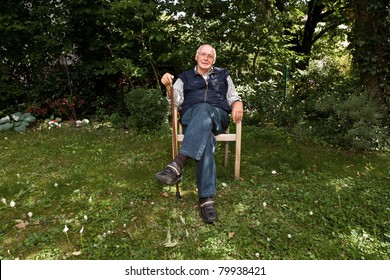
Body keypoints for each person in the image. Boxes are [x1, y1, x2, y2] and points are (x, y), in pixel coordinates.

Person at [156, 44, 243, 224]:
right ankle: (206, 200)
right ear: (196, 57)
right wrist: (168, 87)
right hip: (191, 117)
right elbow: (175, 102)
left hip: (218, 116)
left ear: (214, 60)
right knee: (207, 140)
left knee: (205, 109)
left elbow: (233, 97)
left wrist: (238, 103)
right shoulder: (184, 77)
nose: (205, 58)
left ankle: (178, 163)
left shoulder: (223, 75)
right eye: (202, 54)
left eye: (209, 56)